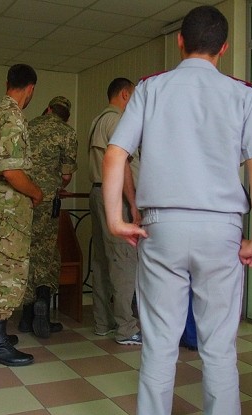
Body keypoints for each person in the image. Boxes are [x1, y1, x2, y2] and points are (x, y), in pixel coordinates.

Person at [102, 6, 252, 415]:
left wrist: (115, 219)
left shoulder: (151, 89)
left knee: (159, 345)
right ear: (224, 48)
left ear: (179, 41)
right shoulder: (243, 94)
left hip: (163, 228)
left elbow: (115, 154)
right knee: (219, 349)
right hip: (222, 230)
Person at [0, 63, 42, 367]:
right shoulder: (14, 116)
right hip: (11, 198)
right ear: (30, 88)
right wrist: (36, 193)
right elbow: (13, 172)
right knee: (9, 267)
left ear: (8, 83)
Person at [17, 96, 78, 338]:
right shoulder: (68, 133)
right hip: (47, 200)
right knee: (47, 252)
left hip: (22, 197)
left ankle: (26, 316)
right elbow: (66, 175)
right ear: (66, 116)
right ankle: (42, 299)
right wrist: (56, 186)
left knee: (25, 251)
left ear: (49, 108)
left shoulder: (27, 125)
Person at [88, 77, 142, 345]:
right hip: (116, 196)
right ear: (125, 94)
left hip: (97, 193)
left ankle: (103, 322)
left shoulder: (97, 120)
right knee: (123, 261)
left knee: (101, 261)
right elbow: (122, 166)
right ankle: (126, 328)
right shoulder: (119, 121)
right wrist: (132, 203)